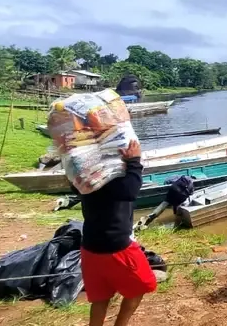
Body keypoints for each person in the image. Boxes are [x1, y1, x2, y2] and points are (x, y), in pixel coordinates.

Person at [79, 140, 157, 326]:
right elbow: (130, 191)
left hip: (90, 246)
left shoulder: (85, 174)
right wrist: (134, 162)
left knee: (101, 297)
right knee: (141, 285)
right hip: (116, 246)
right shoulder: (110, 176)